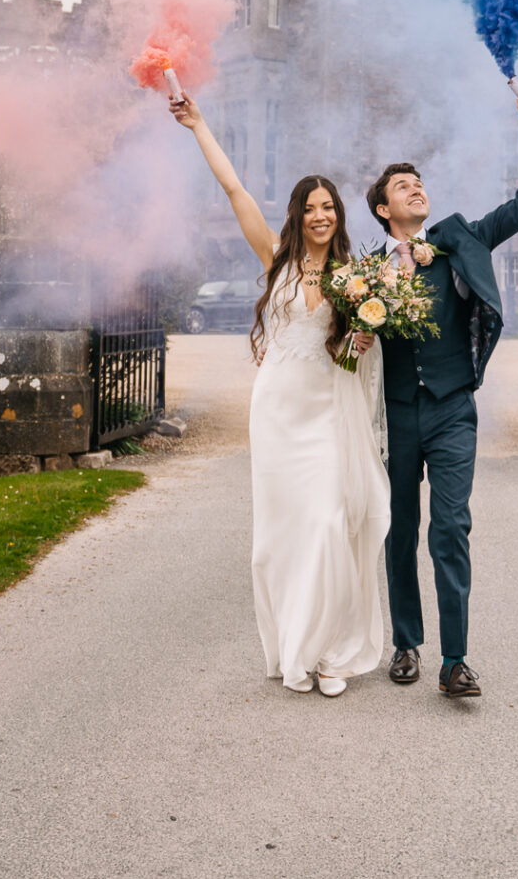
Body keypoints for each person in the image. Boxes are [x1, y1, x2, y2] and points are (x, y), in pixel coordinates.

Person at [170, 92, 390, 696]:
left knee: (327, 523)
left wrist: (361, 345)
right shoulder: (276, 257)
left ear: (340, 215)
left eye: (329, 208)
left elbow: (352, 348)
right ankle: (296, 649)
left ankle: (329, 655)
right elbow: (234, 188)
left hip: (327, 412)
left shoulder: (356, 276)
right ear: (297, 214)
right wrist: (199, 126)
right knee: (284, 535)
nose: (320, 216)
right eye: (310, 207)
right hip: (277, 411)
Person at [367, 92, 518, 698]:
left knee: (449, 526)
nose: (416, 189)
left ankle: (454, 660)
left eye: (419, 182)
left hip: (452, 409)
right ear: (382, 207)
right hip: (395, 413)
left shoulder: (462, 240)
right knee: (399, 527)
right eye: (402, 185)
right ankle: (404, 644)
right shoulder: (364, 271)